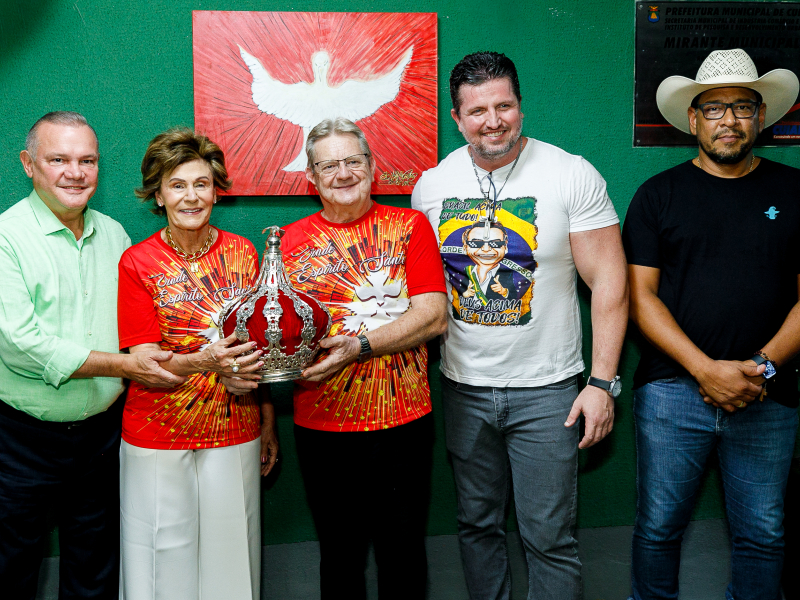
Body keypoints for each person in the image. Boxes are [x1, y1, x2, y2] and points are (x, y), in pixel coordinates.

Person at [411, 52, 628, 599]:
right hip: (463, 387)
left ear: (520, 107)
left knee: (549, 537)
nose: (493, 121)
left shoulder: (570, 172)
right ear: (457, 118)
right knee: (476, 526)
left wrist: (602, 383)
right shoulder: (432, 186)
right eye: (477, 110)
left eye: (503, 106)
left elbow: (609, 282)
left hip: (549, 391)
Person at [623, 48, 800, 600]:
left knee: (764, 535)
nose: (729, 120)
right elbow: (639, 298)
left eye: (743, 107)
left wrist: (760, 368)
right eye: (715, 108)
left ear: (761, 116)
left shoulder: (795, 192)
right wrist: (705, 370)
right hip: (672, 392)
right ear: (694, 119)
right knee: (657, 528)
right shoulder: (657, 196)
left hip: (767, 394)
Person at [0, 111, 186, 600]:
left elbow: (136, 329)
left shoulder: (115, 236)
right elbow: (19, 344)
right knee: (10, 568)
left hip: (101, 439)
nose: (75, 173)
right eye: (58, 159)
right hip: (20, 440)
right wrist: (124, 366)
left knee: (95, 571)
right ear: (28, 164)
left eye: (87, 160)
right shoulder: (6, 238)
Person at [283, 117, 446, 599]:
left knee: (403, 555)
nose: (343, 173)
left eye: (353, 161)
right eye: (328, 165)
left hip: (402, 423)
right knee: (339, 557)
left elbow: (434, 316)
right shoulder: (286, 244)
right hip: (322, 425)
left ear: (372, 167)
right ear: (311, 177)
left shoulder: (410, 226)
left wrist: (359, 346)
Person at [117, 127, 278, 600]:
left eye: (201, 184)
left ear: (216, 190)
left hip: (236, 425)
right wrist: (207, 362)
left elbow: (260, 346)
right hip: (157, 431)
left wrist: (267, 418)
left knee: (233, 562)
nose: (191, 196)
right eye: (177, 185)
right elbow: (144, 361)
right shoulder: (137, 262)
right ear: (158, 195)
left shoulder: (243, 252)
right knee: (159, 563)